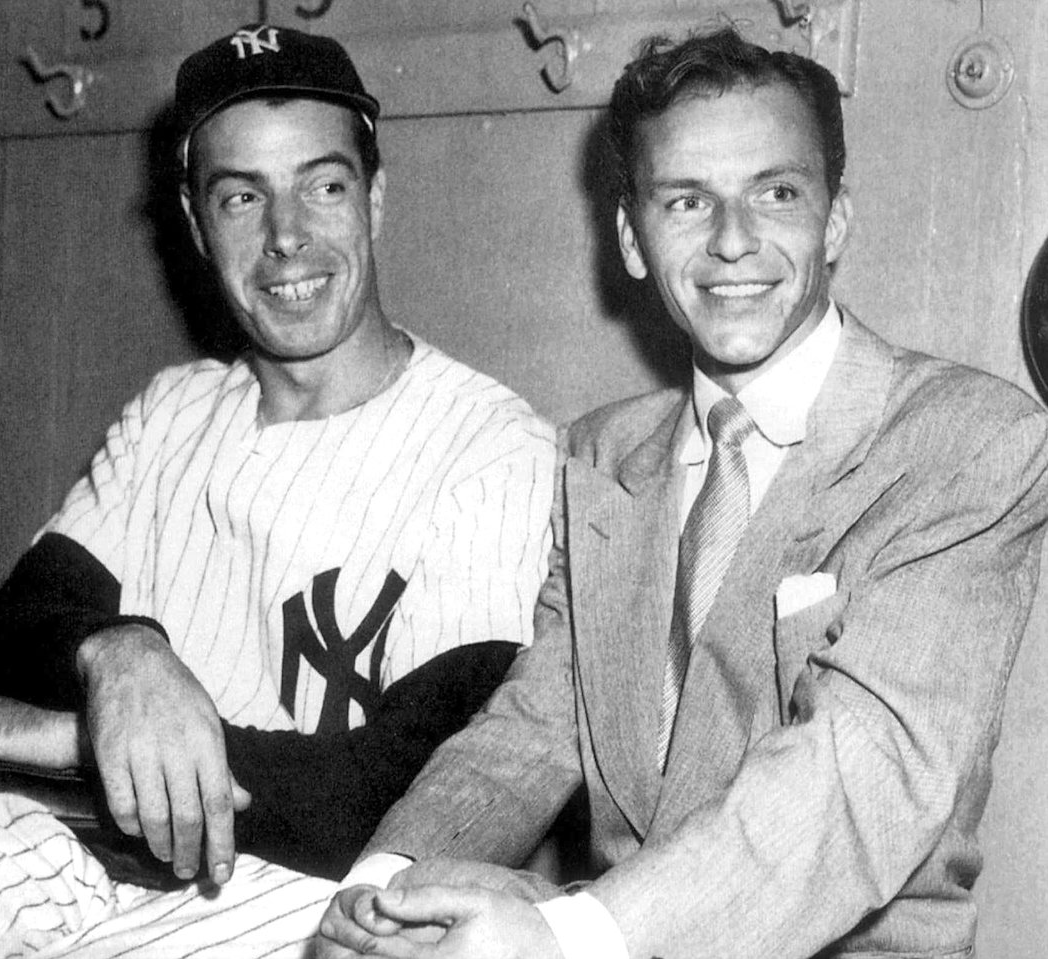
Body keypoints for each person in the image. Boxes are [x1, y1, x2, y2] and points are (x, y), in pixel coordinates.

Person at [317, 26, 1048, 959]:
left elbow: (858, 774)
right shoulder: (602, 451)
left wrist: (568, 936)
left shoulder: (968, 439)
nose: (734, 241)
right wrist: (382, 888)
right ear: (632, 235)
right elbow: (534, 726)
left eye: (777, 193)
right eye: (687, 200)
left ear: (836, 221)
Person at [0, 24, 555, 957]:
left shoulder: (492, 447)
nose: (287, 237)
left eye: (323, 186)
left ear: (375, 199)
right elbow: (9, 640)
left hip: (311, 887)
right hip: (82, 846)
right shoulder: (175, 409)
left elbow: (404, 788)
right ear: (195, 219)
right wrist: (120, 652)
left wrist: (80, 736)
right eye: (242, 196)